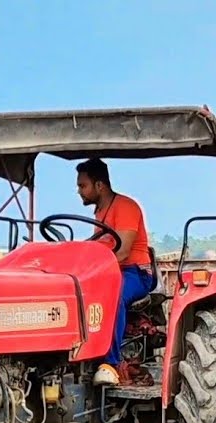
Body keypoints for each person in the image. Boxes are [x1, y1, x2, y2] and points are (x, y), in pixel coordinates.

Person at [75, 158, 155, 386]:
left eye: (83, 186)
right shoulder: (99, 212)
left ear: (99, 185)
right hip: (113, 270)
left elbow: (122, 252)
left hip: (135, 272)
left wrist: (93, 274)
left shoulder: (126, 207)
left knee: (112, 294)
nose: (79, 191)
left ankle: (109, 363)